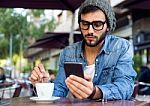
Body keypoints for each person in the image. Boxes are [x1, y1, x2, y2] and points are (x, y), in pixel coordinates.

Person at [29, 0, 137, 100]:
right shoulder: (68, 53)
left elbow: (126, 87)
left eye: (97, 24)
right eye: (85, 24)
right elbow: (59, 92)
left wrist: (95, 92)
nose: (90, 31)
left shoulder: (121, 47)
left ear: (108, 25)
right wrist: (42, 85)